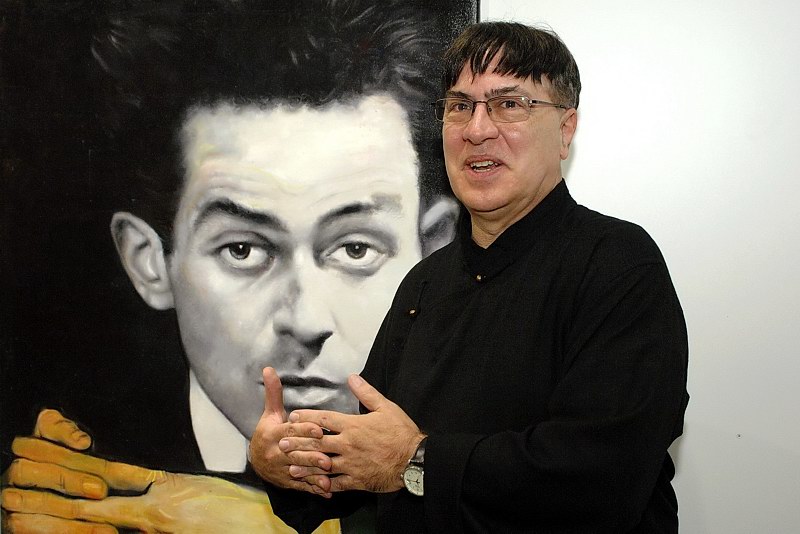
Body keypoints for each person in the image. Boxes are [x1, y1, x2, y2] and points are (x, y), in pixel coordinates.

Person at [1, 0, 462, 532]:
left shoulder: (473, 430)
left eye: (356, 249)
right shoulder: (66, 457)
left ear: (433, 249)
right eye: (242, 250)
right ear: (149, 262)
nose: (306, 320)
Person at [250, 21, 690, 533]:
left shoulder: (617, 264)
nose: (477, 129)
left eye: (509, 104)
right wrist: (286, 465)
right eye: (460, 106)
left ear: (566, 130)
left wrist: (416, 462)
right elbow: (368, 456)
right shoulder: (425, 283)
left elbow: (601, 478)